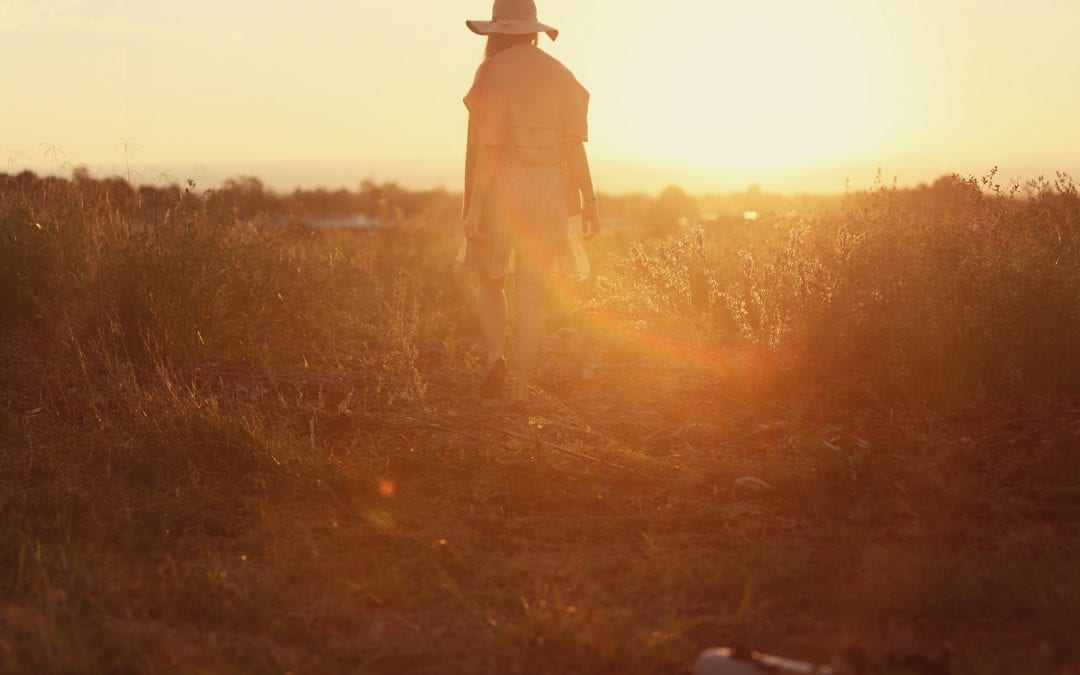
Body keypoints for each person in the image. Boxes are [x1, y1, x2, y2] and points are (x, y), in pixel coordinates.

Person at [459, 0, 601, 411]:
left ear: (497, 31)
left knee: (491, 278)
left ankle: (495, 358)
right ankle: (521, 390)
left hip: (504, 191)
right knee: (532, 296)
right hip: (547, 191)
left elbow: (491, 148)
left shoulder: (491, 72)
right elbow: (574, 146)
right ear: (534, 29)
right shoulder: (560, 74)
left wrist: (474, 206)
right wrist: (590, 202)